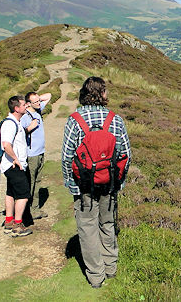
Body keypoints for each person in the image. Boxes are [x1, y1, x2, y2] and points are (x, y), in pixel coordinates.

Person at [61, 77, 131, 288]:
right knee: (107, 224)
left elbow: (66, 157)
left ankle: (96, 276)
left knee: (88, 228)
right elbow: (125, 154)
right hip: (109, 184)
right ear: (101, 94)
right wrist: (119, 182)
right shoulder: (115, 119)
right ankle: (111, 268)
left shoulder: (74, 120)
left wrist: (71, 185)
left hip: (83, 186)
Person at [0, 96, 32, 237]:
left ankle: (9, 221)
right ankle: (18, 225)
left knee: (11, 192)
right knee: (24, 194)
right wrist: (16, 159)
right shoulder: (10, 124)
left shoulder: (15, 122)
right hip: (13, 165)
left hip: (12, 165)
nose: (26, 106)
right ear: (16, 108)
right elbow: (6, 144)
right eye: (24, 104)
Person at [20, 91, 52, 219]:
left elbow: (49, 95)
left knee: (38, 181)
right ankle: (25, 211)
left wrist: (36, 99)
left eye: (39, 101)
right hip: (31, 154)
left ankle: (34, 210)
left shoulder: (38, 110)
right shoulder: (25, 117)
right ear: (28, 104)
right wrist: (29, 129)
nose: (39, 103)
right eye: (36, 102)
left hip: (40, 152)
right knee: (30, 183)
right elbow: (19, 135)